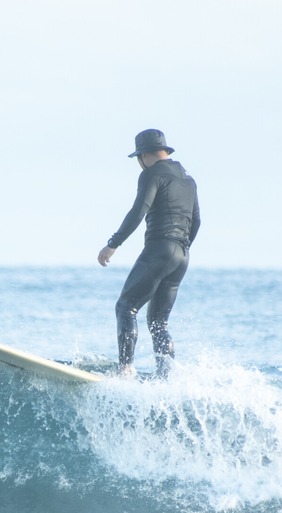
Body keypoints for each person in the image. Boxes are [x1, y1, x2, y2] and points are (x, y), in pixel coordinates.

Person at [98, 128, 200, 378]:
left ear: (144, 156)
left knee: (126, 306)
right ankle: (166, 377)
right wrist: (181, 247)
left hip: (159, 249)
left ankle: (125, 369)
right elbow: (196, 221)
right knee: (158, 322)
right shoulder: (188, 180)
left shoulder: (152, 174)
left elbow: (138, 211)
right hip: (182, 255)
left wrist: (113, 244)